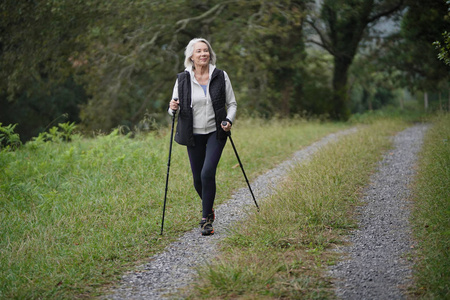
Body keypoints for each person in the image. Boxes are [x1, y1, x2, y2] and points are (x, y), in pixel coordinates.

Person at [168, 38, 237, 236]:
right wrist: (172, 108)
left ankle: (206, 218)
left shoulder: (220, 76)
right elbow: (173, 108)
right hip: (193, 134)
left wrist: (228, 120)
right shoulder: (182, 79)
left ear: (210, 54)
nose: (203, 54)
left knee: (207, 173)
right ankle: (210, 207)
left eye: (205, 50)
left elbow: (232, 104)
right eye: (198, 51)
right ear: (191, 56)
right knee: (197, 180)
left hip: (216, 131)